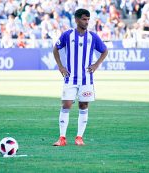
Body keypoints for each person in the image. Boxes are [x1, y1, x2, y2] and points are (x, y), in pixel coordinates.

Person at [52, 8, 108, 146]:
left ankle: (79, 137)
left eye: (88, 19)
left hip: (86, 79)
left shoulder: (93, 37)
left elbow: (105, 50)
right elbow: (55, 48)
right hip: (70, 78)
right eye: (84, 19)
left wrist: (96, 65)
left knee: (83, 105)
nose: (87, 22)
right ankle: (62, 138)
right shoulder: (67, 35)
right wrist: (60, 66)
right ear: (76, 20)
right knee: (66, 104)